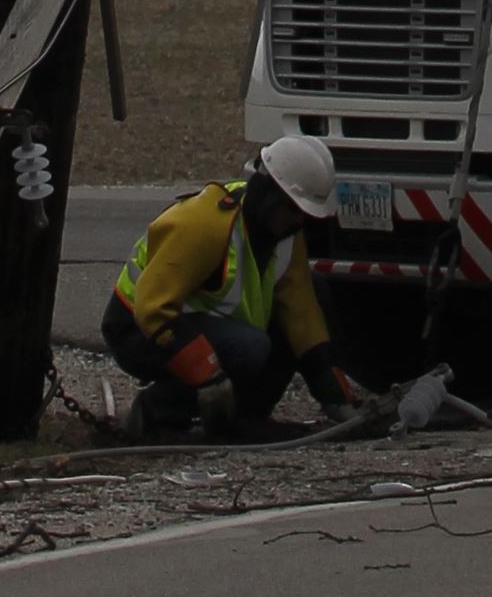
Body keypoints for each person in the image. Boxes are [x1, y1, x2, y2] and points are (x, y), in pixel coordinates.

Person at [103, 135, 370, 435]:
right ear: (270, 193)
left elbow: (302, 316)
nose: (298, 221)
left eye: (304, 215)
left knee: (315, 291)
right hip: (138, 327)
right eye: (293, 209)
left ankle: (246, 414)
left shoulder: (285, 237)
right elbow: (153, 310)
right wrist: (209, 377)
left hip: (203, 326)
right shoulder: (205, 225)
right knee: (249, 347)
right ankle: (152, 413)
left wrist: (335, 396)